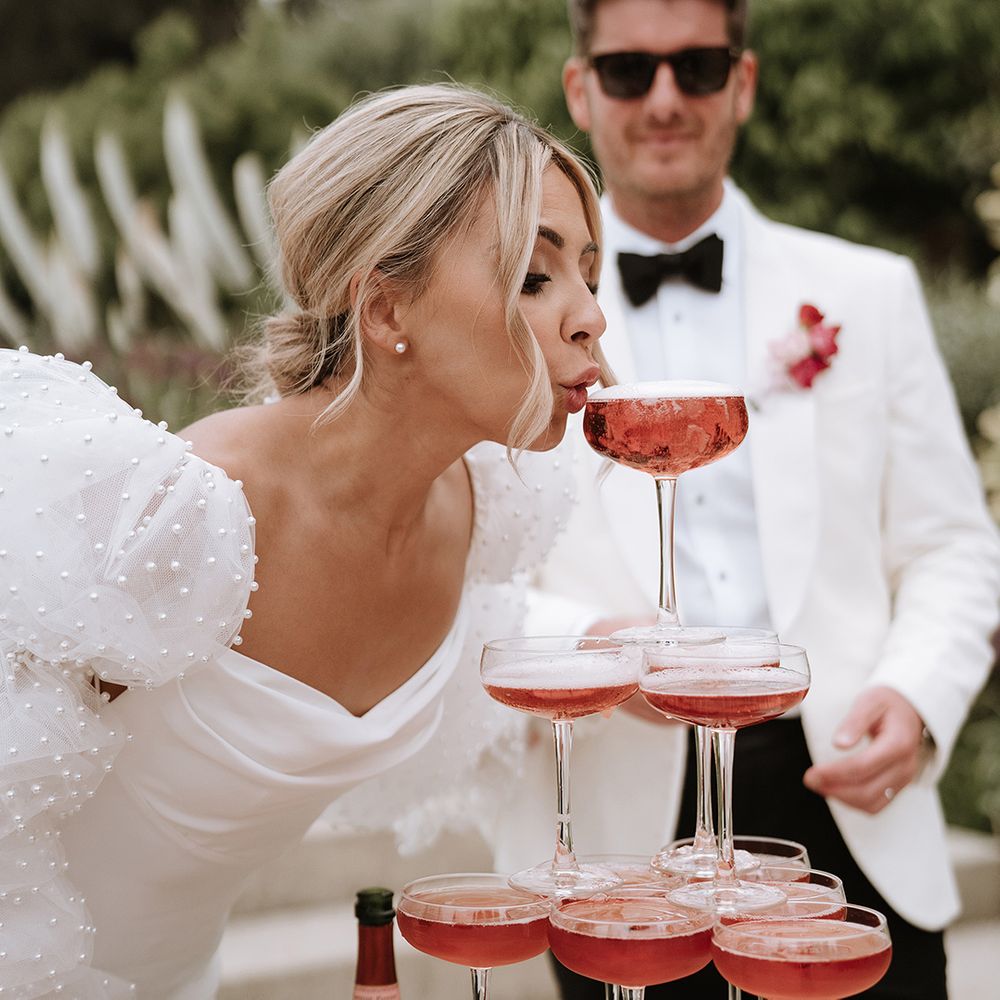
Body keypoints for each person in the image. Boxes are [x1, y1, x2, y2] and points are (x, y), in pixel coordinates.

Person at [0, 83, 609, 998]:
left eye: (589, 276)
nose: (589, 316)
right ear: (386, 309)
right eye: (534, 275)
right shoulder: (171, 522)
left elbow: (487, 631)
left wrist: (626, 654)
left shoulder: (474, 509)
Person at [490, 2, 1000, 998]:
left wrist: (919, 699)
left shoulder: (872, 291)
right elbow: (467, 570)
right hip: (618, 843)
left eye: (699, 66)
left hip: (850, 811)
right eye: (631, 71)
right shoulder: (501, 321)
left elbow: (952, 543)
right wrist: (591, 646)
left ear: (745, 82)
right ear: (579, 89)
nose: (667, 98)